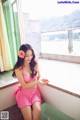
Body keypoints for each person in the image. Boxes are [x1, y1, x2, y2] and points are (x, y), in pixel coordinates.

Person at [12, 44, 48, 120]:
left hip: (35, 92)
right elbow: (24, 86)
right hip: (24, 94)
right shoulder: (18, 69)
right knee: (28, 118)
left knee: (38, 110)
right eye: (27, 55)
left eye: (31, 55)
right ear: (22, 55)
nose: (30, 57)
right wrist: (37, 82)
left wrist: (41, 80)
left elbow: (39, 76)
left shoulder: (35, 63)